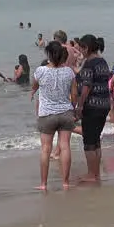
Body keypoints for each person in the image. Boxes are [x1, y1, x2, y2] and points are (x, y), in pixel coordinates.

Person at [31, 41, 75, 190]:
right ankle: (65, 182)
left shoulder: (40, 70)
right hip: (65, 112)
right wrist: (74, 108)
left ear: (48, 54)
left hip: (47, 114)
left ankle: (43, 184)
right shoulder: (69, 71)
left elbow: (35, 85)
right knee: (65, 147)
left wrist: (33, 91)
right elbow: (74, 94)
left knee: (45, 149)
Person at [74, 35, 110, 185]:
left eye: (81, 48)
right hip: (104, 104)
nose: (80, 50)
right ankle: (96, 173)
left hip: (92, 105)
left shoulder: (89, 64)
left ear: (86, 48)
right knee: (96, 140)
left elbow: (86, 86)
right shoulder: (102, 61)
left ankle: (91, 174)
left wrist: (80, 106)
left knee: (89, 141)